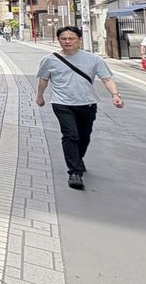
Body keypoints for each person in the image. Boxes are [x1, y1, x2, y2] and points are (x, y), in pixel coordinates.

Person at [35, 25, 123, 190]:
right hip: (62, 103)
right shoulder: (50, 59)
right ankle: (74, 172)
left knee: (84, 136)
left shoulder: (93, 59)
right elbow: (43, 79)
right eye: (63, 39)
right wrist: (40, 96)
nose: (67, 42)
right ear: (59, 40)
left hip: (87, 103)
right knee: (70, 135)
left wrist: (115, 94)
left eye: (71, 38)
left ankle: (78, 158)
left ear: (79, 40)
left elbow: (107, 79)